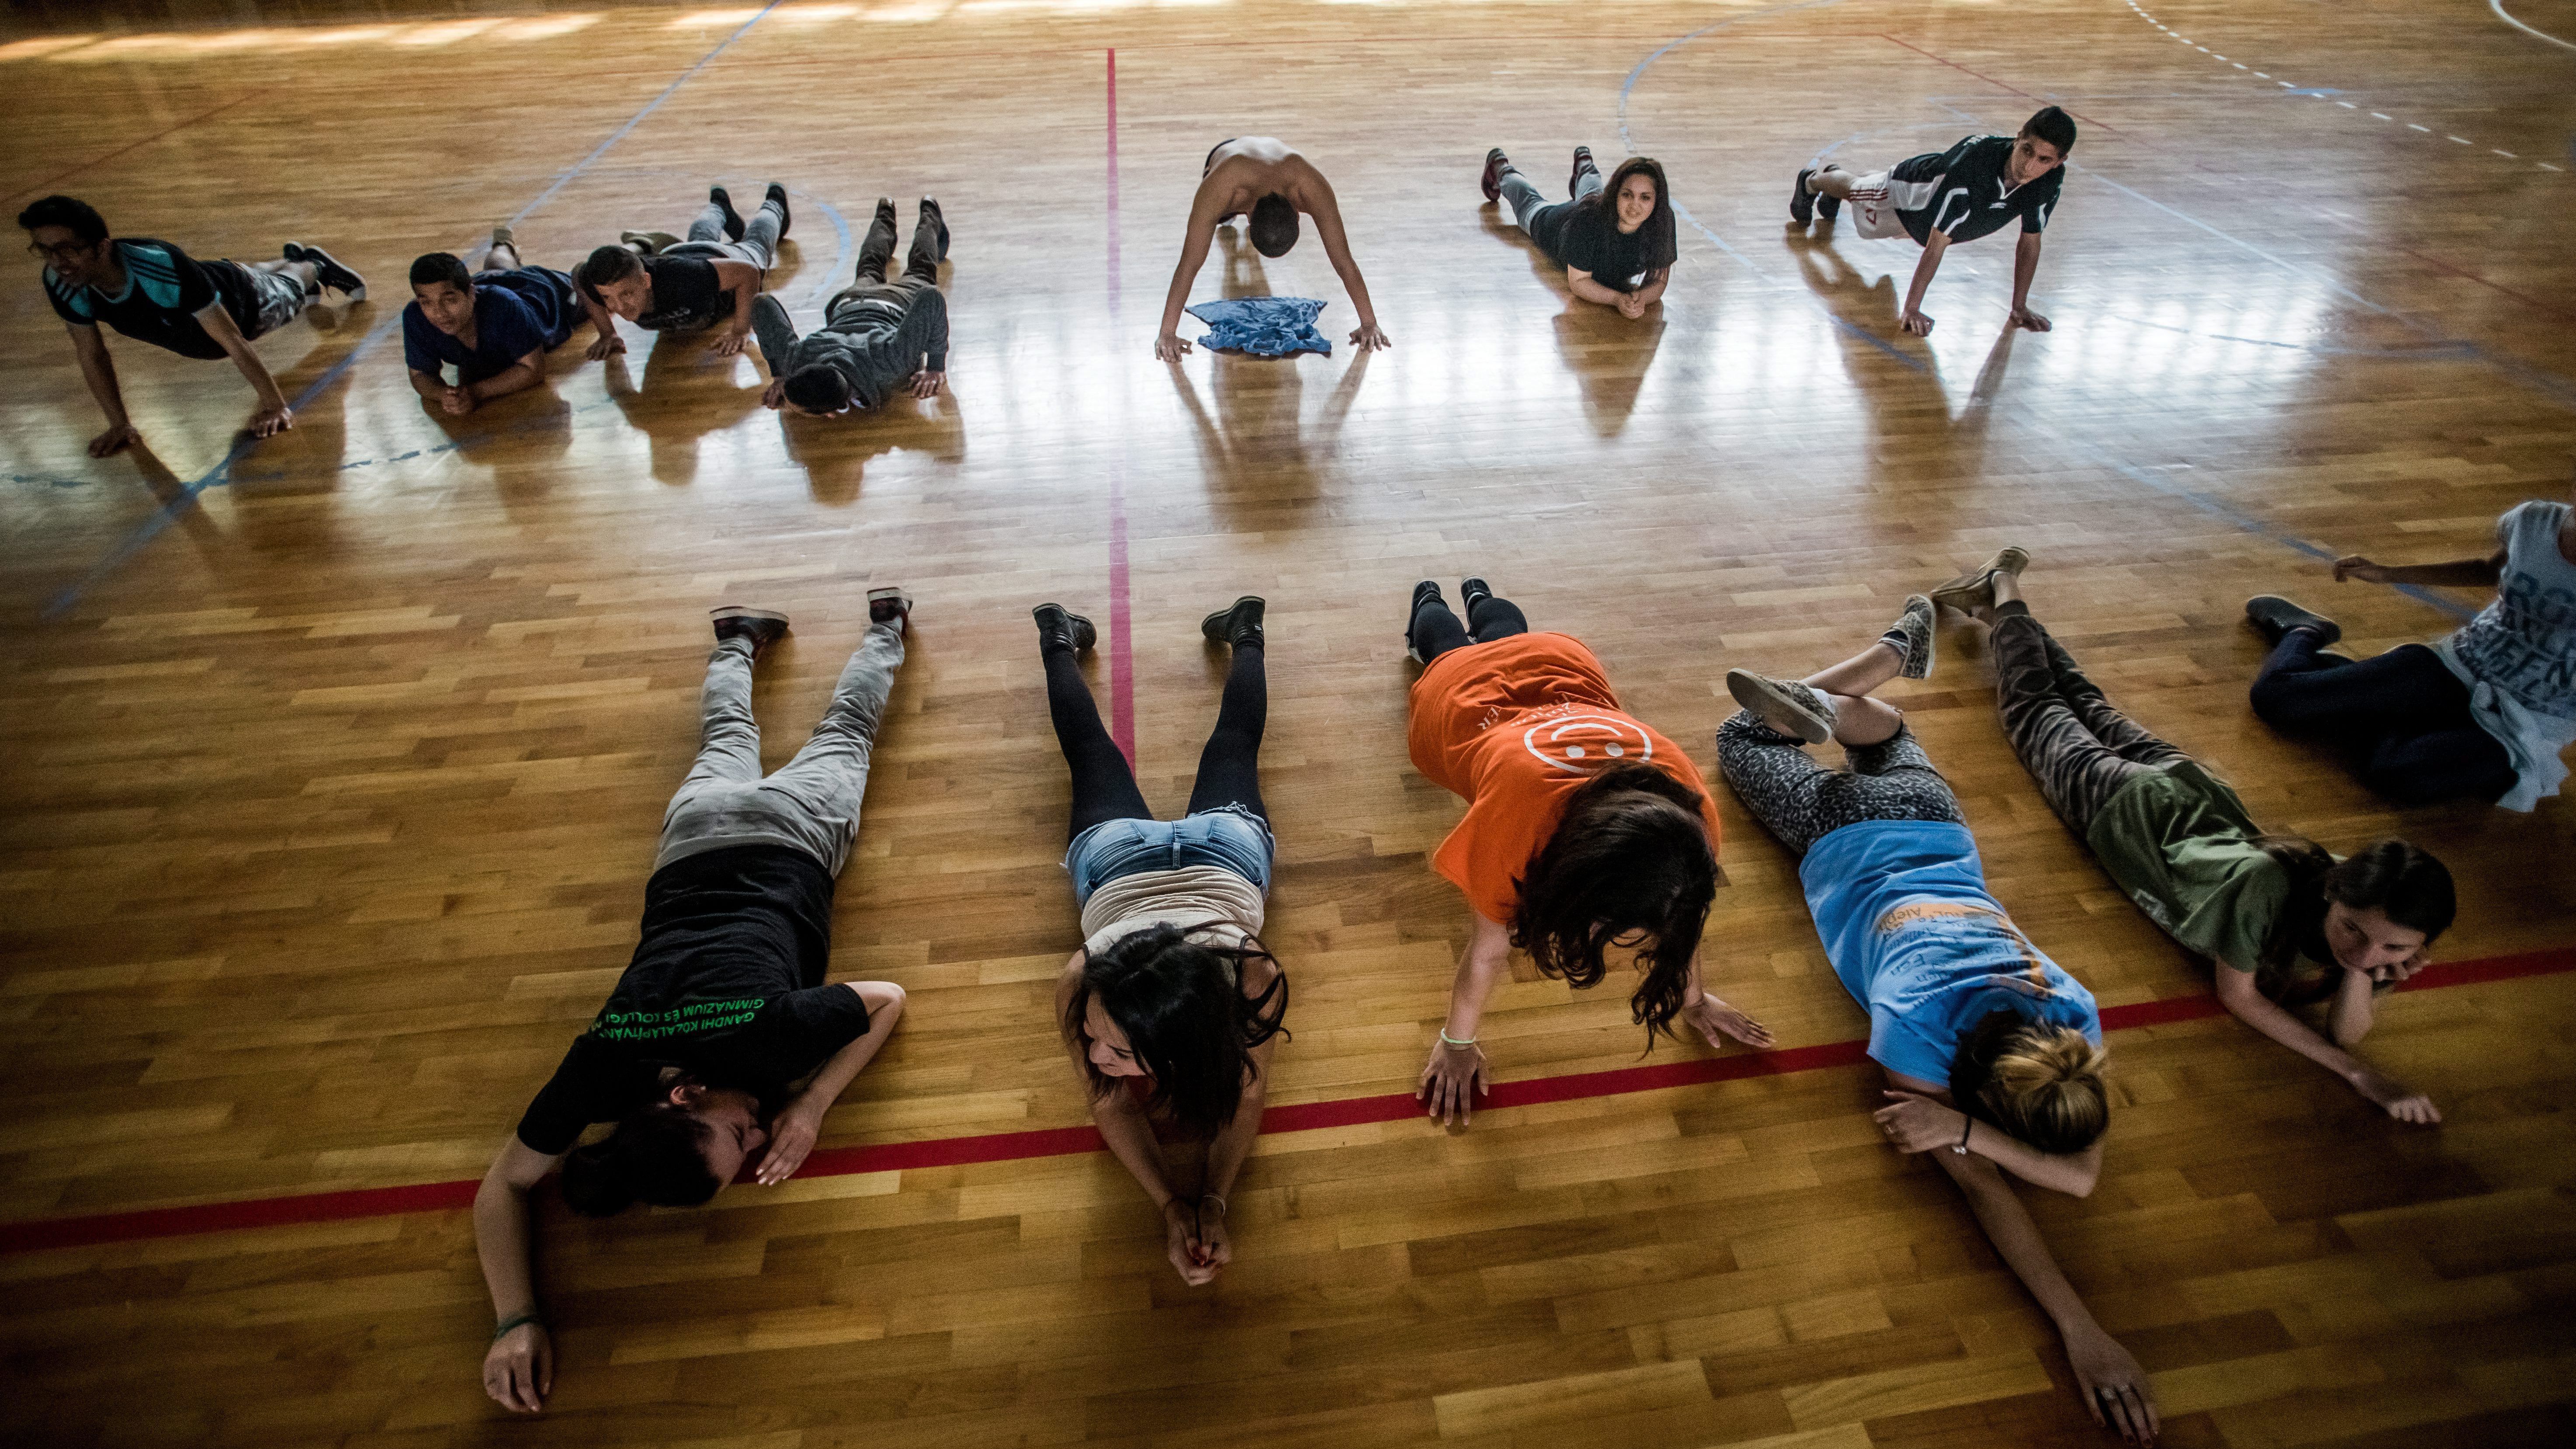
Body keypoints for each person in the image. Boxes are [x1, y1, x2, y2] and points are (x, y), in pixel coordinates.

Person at [1715, 611, 2159, 1446]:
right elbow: (1999, 1184)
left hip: (1936, 819)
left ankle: (1884, 663)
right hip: (1844, 837)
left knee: (1885, 743)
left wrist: (1975, 1130)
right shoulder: (1911, 1031)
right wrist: (2078, 1325)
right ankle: (1831, 697)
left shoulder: (2073, 1010)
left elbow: (2084, 1176)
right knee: (1743, 735)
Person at [473, 591, 913, 1414]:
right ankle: (738, 637)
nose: (758, 1134)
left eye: (738, 1132)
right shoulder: (600, 1067)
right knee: (726, 737)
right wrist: (515, 1316)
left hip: (796, 836)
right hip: (693, 836)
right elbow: (502, 1186)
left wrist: (813, 1105)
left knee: (848, 729)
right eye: (753, 1147)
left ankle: (887, 628)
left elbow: (887, 998)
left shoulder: (773, 1042)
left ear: (684, 1097)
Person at [1938, 549, 2458, 1123]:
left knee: (2079, 699)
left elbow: (2347, 1029)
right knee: (2034, 706)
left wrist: (2361, 974)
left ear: (2418, 948)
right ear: (2335, 892)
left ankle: (1998, 611)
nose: (2362, 951)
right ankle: (2003, 587)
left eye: (2392, 949)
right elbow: (2240, 998)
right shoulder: (2266, 889)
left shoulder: (2364, 900)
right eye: (2353, 931)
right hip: (2125, 804)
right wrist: (2357, 1074)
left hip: (2187, 789)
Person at [1404, 578, 1771, 1127]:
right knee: (1448, 650)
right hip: (1466, 696)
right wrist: (1456, 1043)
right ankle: (1430, 600)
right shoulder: (1517, 823)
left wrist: (1695, 999)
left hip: (1561, 664)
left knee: (1512, 638)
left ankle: (1480, 597)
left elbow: (1685, 917)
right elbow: (1487, 951)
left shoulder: (1693, 828)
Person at [1035, 594, 1287, 1287]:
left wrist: (1200, 1200)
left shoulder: (1245, 971)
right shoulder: (1247, 975)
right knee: (1228, 746)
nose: (1093, 1054)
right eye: (1099, 1038)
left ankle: (1061, 639)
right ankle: (1242, 633)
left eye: (1114, 1049)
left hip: (1213, 857)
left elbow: (1129, 1101)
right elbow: (1234, 1096)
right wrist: (1184, 1202)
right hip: (1159, 859)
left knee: (1099, 752)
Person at [2244, 474, 2576, 811]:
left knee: (2400, 775)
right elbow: (2487, 569)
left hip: (2529, 717)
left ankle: (2369, 696)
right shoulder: (2533, 520)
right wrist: (2388, 572)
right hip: (2460, 663)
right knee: (2277, 697)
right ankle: (2305, 630)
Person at [20, 193, 366, 454]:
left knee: (290, 292)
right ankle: (281, 262)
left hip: (245, 304)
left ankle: (311, 265)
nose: (57, 262)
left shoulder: (160, 268)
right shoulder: (62, 281)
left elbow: (231, 339)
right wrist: (119, 424)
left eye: (67, 249)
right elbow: (91, 354)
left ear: (102, 247)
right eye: (46, 250)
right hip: (208, 276)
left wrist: (275, 405)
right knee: (237, 272)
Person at [1788, 106, 2074, 337]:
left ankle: (1834, 185)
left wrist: (2019, 306)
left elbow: (2030, 241)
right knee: (1857, 190)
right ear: (2018, 137)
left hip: (1926, 216)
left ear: (2059, 162)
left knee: (1871, 227)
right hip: (1908, 187)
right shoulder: (1973, 171)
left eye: (2043, 159)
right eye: (2026, 151)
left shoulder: (2048, 183)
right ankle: (1811, 182)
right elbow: (1937, 246)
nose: (2029, 166)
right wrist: (1911, 309)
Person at [1155, 137, 1390, 360]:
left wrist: (1369, 324)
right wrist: (1167, 334)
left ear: (1298, 214)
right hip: (1226, 158)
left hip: (1269, 170)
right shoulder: (1220, 188)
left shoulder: (1310, 186)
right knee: (1215, 220)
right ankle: (1227, 222)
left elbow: (1343, 262)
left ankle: (1237, 247)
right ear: (1248, 217)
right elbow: (1190, 264)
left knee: (1222, 227)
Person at [753, 197, 950, 415]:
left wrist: (935, 367)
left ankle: (927, 209)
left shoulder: (891, 364)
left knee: (921, 269)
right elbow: (762, 303)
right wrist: (781, 372)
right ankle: (889, 209)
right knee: (870, 266)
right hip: (851, 301)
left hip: (895, 303)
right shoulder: (796, 361)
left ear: (831, 412)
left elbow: (931, 297)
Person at [574, 184, 789, 361]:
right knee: (700, 237)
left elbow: (748, 274)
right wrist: (607, 333)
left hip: (726, 260)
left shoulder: (685, 278)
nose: (619, 307)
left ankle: (774, 203)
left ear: (646, 281)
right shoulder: (598, 283)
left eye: (627, 294)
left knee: (758, 242)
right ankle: (718, 207)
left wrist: (741, 330)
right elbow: (579, 274)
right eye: (607, 298)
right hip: (681, 255)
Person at [401, 227, 585, 417]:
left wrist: (475, 392)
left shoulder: (505, 307)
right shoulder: (416, 316)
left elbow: (533, 369)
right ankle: (503, 245)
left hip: (544, 293)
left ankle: (614, 252)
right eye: (427, 302)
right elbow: (419, 375)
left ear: (472, 294)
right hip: (489, 282)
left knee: (591, 289)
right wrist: (444, 395)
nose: (439, 313)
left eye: (450, 300)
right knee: (497, 270)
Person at [1477, 147, 1676, 319]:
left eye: (1645, 197)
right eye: (1627, 194)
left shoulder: (1662, 220)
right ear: (1615, 194)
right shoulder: (1587, 222)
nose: (1635, 205)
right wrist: (1617, 299)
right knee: (1528, 202)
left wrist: (1640, 300)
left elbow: (1659, 280)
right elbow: (1579, 282)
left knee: (1593, 194)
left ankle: (1585, 162)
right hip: (1558, 223)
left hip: (1595, 205)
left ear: (1657, 201)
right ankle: (1501, 168)